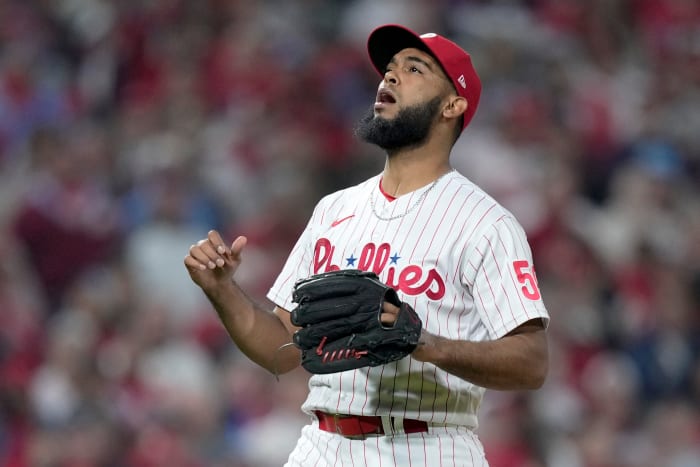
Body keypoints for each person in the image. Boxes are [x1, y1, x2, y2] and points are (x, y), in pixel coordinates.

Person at [184, 24, 549, 466]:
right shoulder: (335, 210)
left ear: (452, 105)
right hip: (323, 444)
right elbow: (281, 351)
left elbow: (532, 362)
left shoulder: (484, 222)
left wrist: (423, 342)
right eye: (389, 68)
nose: (389, 77)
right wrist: (222, 290)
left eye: (414, 69)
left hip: (428, 445)